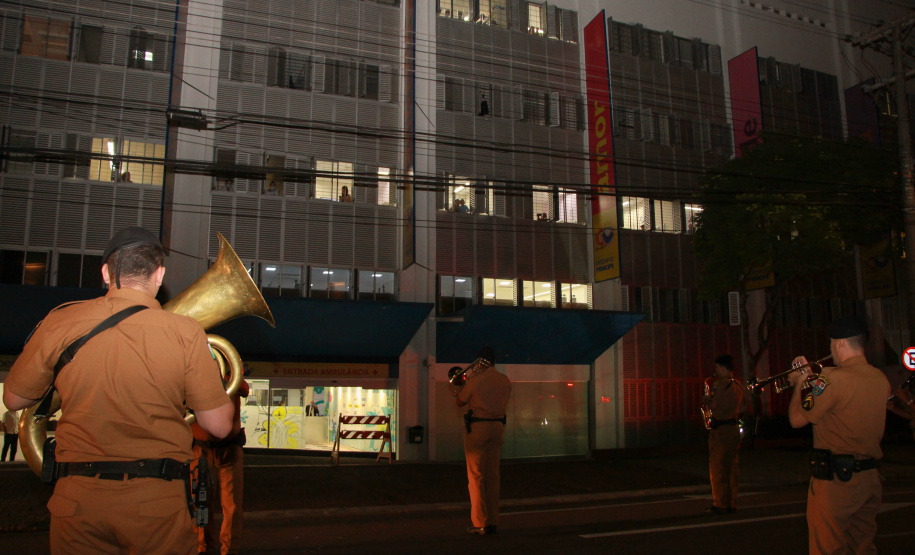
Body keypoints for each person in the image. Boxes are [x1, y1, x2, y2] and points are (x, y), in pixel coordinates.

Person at [3, 226, 234, 555]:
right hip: (157, 507)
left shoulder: (59, 321)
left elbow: (14, 399)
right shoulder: (186, 332)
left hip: (76, 505)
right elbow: (219, 426)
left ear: (105, 273)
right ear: (159, 274)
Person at [788, 316, 890, 554]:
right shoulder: (879, 379)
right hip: (869, 479)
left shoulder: (833, 378)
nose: (830, 349)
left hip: (837, 483)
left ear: (841, 343)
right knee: (863, 547)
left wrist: (798, 383)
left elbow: (796, 420)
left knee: (828, 548)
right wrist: (815, 379)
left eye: (832, 343)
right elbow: (842, 402)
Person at [452, 347, 511, 535]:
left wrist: (462, 383)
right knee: (493, 475)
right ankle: (493, 521)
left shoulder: (475, 380)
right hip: (497, 427)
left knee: (476, 476)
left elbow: (460, 401)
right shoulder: (504, 380)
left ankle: (480, 523)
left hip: (478, 428)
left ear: (480, 361)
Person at [192, 371, 249, 555]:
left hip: (227, 448)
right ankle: (203, 548)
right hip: (202, 448)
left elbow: (244, 389)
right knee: (201, 503)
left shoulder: (230, 377)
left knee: (229, 505)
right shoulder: (193, 376)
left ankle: (227, 550)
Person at [703, 354, 743, 515]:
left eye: (717, 368)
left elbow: (716, 406)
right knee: (731, 468)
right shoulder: (738, 386)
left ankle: (720, 503)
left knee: (718, 468)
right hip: (733, 429)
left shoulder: (721, 386)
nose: (715, 371)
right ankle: (732, 502)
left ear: (721, 368)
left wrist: (707, 400)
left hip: (720, 431)